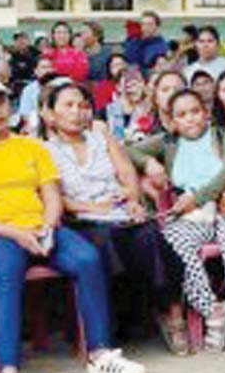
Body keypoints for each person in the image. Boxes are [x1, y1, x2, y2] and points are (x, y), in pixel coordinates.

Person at [0, 75, 147, 373]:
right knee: (6, 274)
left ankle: (100, 353)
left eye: (1, 102)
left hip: (40, 227)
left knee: (86, 258)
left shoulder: (32, 146)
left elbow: (51, 196)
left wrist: (47, 227)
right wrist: (16, 234)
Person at [128, 89, 225, 368]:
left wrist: (197, 197)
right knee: (171, 243)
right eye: (182, 115)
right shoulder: (167, 142)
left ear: (206, 113)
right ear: (171, 121)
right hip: (195, 218)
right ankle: (214, 310)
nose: (190, 119)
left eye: (195, 111)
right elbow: (128, 149)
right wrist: (149, 162)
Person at [43, 83, 186, 352]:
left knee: (150, 235)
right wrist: (90, 207)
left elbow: (127, 173)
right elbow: (51, 197)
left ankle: (173, 316)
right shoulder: (44, 150)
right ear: (51, 115)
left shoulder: (102, 139)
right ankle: (115, 325)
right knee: (105, 242)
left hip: (118, 212)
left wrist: (132, 200)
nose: (77, 112)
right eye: (69, 106)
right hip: (82, 219)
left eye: (83, 106)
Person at [104, 66, 156, 142]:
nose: (133, 85)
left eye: (138, 81)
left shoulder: (150, 109)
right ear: (118, 87)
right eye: (128, 81)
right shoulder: (106, 111)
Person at [16, 55, 54, 124]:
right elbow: (25, 114)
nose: (48, 71)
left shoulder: (60, 86)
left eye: (50, 67)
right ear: (36, 71)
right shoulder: (29, 90)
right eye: (44, 67)